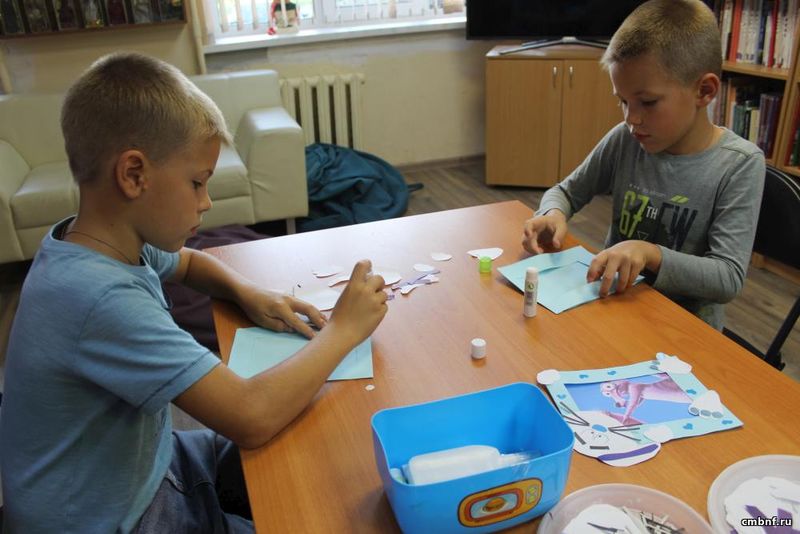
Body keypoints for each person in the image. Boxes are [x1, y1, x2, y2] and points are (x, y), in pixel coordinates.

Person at [0, 52, 388, 533]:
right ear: (133, 174)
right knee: (292, 471)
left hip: (140, 464)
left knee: (300, 451)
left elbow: (188, 262)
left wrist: (247, 292)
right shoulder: (98, 298)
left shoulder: (97, 241)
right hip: (112, 517)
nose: (206, 202)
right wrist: (343, 330)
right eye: (197, 183)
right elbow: (250, 415)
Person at [521, 0, 765, 330]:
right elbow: (565, 192)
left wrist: (651, 254)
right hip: (613, 310)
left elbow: (727, 278)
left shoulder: (740, 165)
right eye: (623, 101)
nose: (631, 118)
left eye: (647, 102)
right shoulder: (625, 139)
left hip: (683, 333)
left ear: (704, 91)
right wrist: (552, 214)